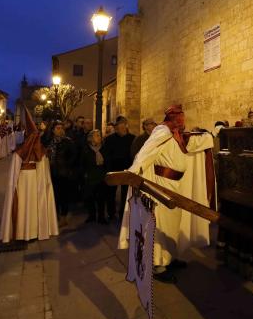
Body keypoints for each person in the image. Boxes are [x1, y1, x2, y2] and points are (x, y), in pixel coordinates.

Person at [118, 105, 215, 283]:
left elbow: (193, 142)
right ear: (173, 119)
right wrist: (131, 173)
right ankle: (158, 264)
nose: (182, 122)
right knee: (160, 226)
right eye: (180, 118)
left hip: (177, 186)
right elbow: (146, 153)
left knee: (173, 225)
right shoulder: (162, 132)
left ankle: (169, 257)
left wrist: (212, 134)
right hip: (162, 186)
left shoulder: (177, 135)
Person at [0, 109, 58, 242]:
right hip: (25, 183)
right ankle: (24, 232)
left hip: (32, 182)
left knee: (30, 206)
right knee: (26, 206)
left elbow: (43, 171)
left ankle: (31, 232)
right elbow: (14, 174)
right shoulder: (21, 153)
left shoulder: (30, 152)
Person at [103, 116, 136, 221]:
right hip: (113, 169)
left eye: (123, 126)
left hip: (127, 169)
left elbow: (134, 153)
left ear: (126, 126)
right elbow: (106, 155)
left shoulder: (132, 138)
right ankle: (111, 213)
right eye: (119, 126)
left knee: (125, 193)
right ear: (116, 127)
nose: (121, 128)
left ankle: (123, 214)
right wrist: (108, 169)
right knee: (111, 193)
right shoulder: (109, 139)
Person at [45, 121, 76, 227]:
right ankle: (55, 215)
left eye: (61, 128)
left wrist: (67, 166)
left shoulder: (68, 142)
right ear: (53, 130)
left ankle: (63, 217)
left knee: (64, 196)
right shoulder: (50, 142)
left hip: (64, 173)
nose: (60, 130)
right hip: (51, 172)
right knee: (54, 195)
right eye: (58, 128)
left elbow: (73, 157)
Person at [81, 129, 109, 224]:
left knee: (101, 198)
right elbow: (82, 163)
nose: (99, 137)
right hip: (90, 176)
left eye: (100, 135)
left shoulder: (104, 148)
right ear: (91, 138)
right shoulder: (85, 149)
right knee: (90, 198)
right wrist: (84, 174)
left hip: (102, 176)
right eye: (97, 135)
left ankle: (101, 217)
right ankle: (92, 215)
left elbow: (108, 162)